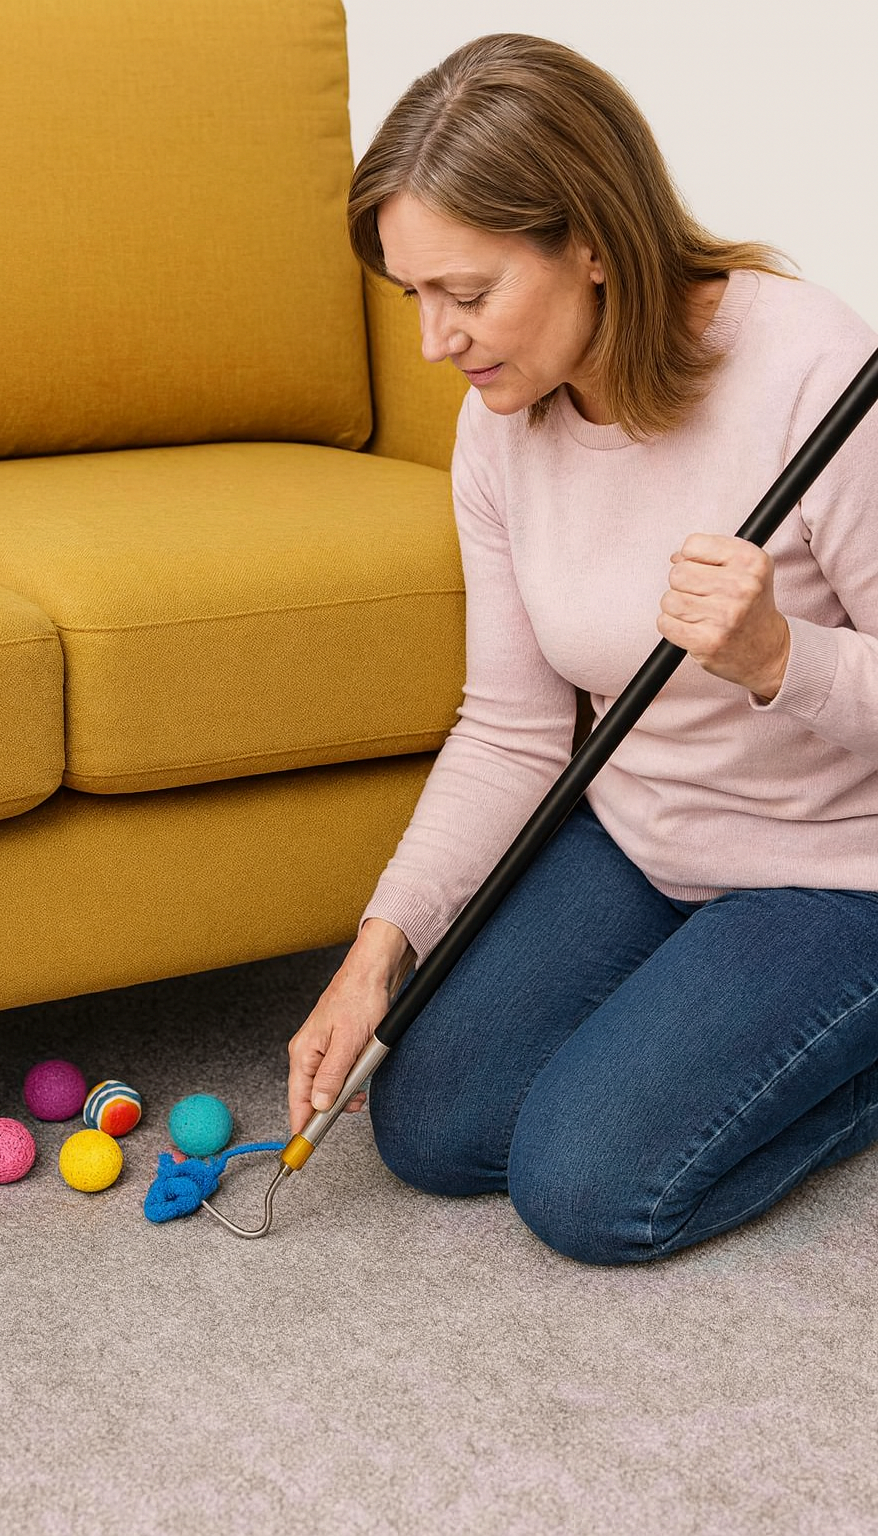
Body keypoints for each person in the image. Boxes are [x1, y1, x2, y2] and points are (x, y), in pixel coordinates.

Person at [287, 33, 878, 1265]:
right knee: (432, 1126)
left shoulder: (816, 374)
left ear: (594, 241)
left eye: (467, 292)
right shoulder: (500, 422)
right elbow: (509, 728)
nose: (434, 344)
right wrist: (375, 950)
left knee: (589, 1189)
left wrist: (781, 656)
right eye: (412, 297)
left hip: (837, 866)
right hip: (645, 834)